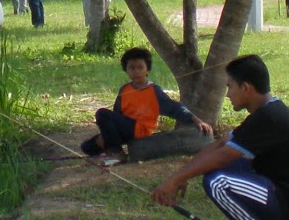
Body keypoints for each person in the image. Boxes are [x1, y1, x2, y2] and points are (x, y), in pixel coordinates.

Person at [149, 53, 289, 220]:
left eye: (230, 87)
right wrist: (181, 175)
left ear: (246, 88)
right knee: (215, 169)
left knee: (217, 180)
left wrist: (174, 181)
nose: (228, 94)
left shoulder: (269, 118)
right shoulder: (265, 113)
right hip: (276, 191)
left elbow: (222, 157)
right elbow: (220, 145)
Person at [81, 47, 210, 159]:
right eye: (131, 68)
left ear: (147, 70)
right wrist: (107, 134)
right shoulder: (124, 90)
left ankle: (117, 153)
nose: (136, 71)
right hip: (126, 129)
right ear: (126, 70)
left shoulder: (154, 90)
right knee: (87, 147)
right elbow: (116, 115)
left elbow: (174, 108)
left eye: (140, 67)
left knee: (102, 113)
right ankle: (112, 147)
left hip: (141, 129)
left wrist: (196, 120)